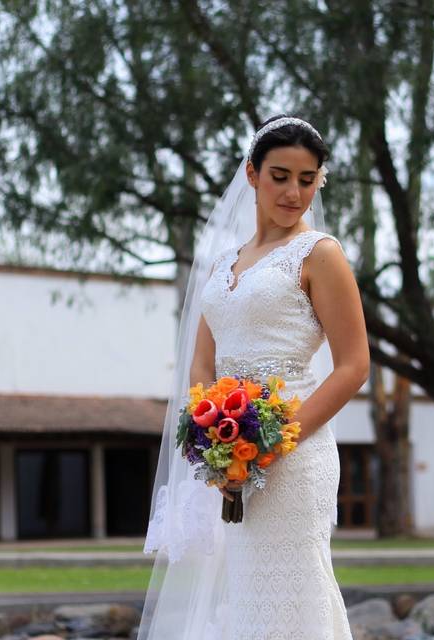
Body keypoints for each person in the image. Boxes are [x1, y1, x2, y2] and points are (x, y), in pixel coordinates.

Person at [138, 115, 369, 639]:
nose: (293, 192)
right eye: (280, 176)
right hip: (231, 458)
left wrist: (271, 443)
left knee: (294, 591)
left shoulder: (321, 254)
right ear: (251, 174)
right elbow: (202, 365)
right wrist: (213, 443)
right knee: (245, 595)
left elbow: (355, 366)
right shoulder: (224, 264)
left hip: (295, 453)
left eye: (307, 179)